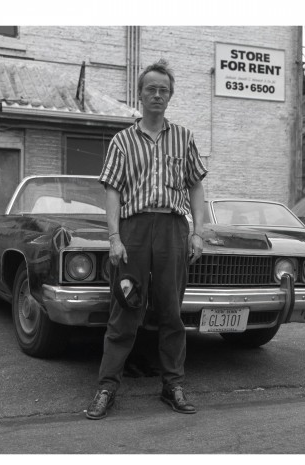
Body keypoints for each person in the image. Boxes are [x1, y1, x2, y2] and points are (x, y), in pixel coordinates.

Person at [86, 59, 208, 420]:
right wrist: (114, 238)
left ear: (170, 96)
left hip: (172, 230)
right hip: (134, 231)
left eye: (164, 90)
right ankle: (107, 387)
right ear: (139, 94)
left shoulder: (183, 137)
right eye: (151, 88)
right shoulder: (122, 141)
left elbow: (196, 186)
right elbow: (112, 191)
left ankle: (173, 385)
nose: (157, 94)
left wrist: (198, 232)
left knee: (171, 312)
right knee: (125, 310)